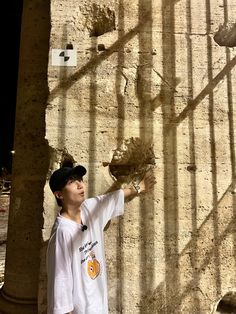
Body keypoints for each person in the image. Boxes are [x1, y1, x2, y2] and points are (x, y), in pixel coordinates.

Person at [47, 164, 156, 314]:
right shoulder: (62, 232)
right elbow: (60, 285)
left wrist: (139, 187)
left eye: (80, 179)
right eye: (71, 182)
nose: (80, 185)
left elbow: (112, 198)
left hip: (100, 306)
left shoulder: (89, 208)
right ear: (59, 194)